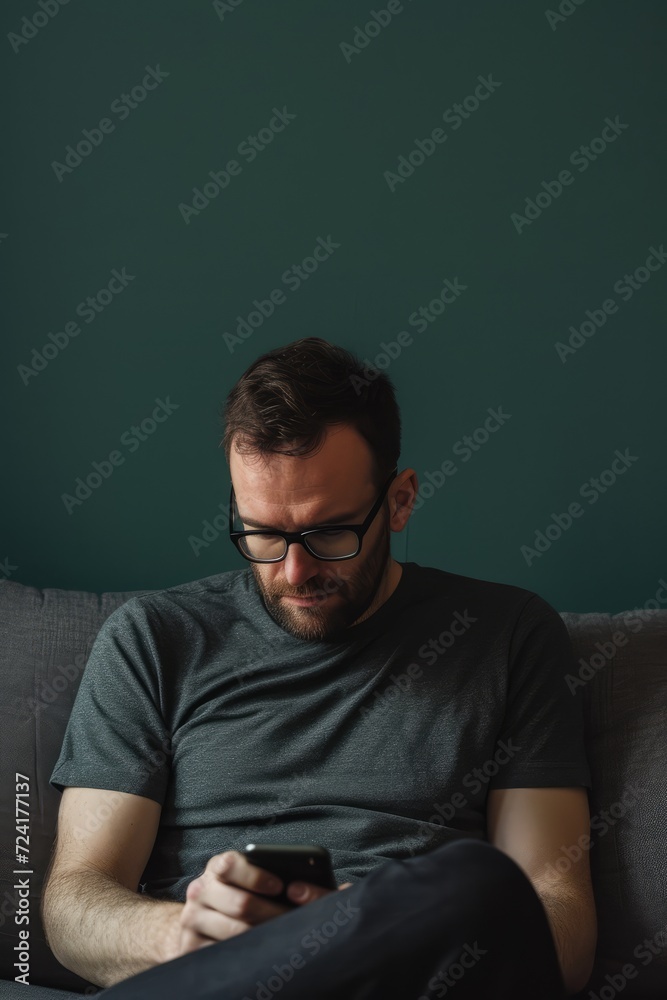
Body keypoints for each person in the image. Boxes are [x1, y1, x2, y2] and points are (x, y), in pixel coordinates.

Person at [41, 337, 596, 998]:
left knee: (480, 885)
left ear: (399, 501)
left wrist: (369, 926)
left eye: (329, 532)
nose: (294, 571)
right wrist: (183, 933)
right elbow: (72, 907)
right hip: (209, 981)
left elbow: (556, 922)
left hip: (413, 977)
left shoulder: (509, 636)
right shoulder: (154, 639)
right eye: (264, 535)